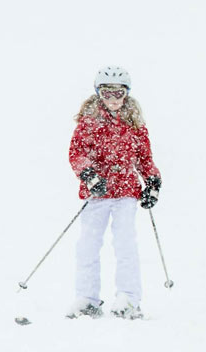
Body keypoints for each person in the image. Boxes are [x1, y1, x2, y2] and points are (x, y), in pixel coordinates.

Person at [67, 66, 162, 320]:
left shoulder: (134, 122)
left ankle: (129, 298)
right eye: (106, 93)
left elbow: (144, 157)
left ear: (126, 93)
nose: (112, 99)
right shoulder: (89, 121)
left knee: (125, 243)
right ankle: (87, 298)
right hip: (97, 193)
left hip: (125, 192)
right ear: (99, 93)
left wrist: (152, 181)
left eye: (118, 93)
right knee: (88, 244)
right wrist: (89, 175)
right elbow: (77, 153)